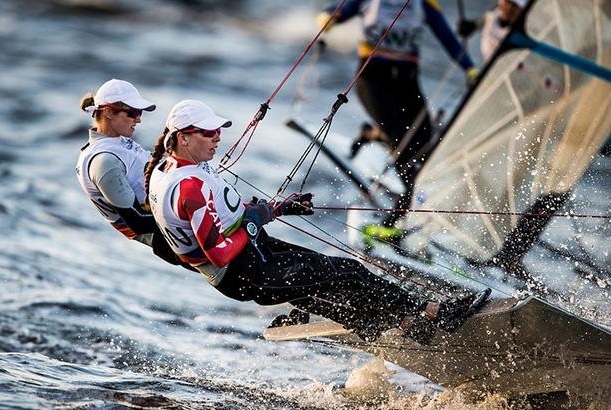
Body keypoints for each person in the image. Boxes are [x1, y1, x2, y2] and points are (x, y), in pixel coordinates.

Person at [145, 99, 489, 344]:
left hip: (252, 253)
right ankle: (432, 313)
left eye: (218, 130)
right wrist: (255, 221)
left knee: (333, 275)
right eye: (208, 133)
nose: (217, 137)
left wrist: (279, 208)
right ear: (183, 137)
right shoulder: (189, 187)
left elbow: (226, 211)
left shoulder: (169, 167)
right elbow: (217, 252)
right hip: (242, 272)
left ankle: (401, 322)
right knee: (346, 274)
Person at [317, 0, 478, 228]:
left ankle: (375, 135)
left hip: (407, 83)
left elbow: (447, 37)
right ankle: (396, 217)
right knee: (403, 145)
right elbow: (337, 12)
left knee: (425, 142)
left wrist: (470, 68)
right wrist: (328, 19)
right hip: (372, 81)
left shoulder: (423, 4)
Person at [76, 78, 190, 269]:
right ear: (109, 112)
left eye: (140, 112)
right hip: (176, 242)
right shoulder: (104, 161)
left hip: (182, 226)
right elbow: (138, 222)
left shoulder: (115, 141)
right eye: (133, 113)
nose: (139, 119)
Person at [458, 0, 527, 63]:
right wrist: (472, 25)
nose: (508, 7)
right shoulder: (494, 12)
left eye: (513, 6)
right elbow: (484, 19)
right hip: (489, 61)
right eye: (506, 3)